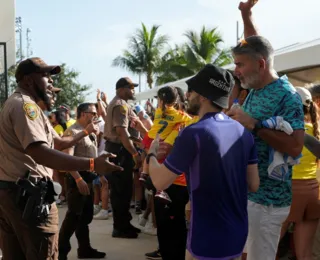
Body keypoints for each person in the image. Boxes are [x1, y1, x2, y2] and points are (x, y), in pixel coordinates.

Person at [0, 57, 122, 260]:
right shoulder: (24, 106)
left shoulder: (25, 105)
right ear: (29, 80)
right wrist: (92, 164)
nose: (51, 82)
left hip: (14, 194)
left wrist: (83, 133)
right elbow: (41, 153)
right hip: (27, 197)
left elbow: (58, 143)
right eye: (46, 76)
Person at [147, 64, 259, 260]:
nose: (187, 95)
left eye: (192, 91)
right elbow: (253, 185)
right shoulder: (244, 133)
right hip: (237, 232)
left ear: (204, 96)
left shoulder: (194, 133)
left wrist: (151, 154)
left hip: (207, 235)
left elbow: (159, 182)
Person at [227, 1, 305, 259]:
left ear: (260, 65)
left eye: (240, 65)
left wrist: (254, 125)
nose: (236, 71)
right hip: (248, 193)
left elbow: (295, 146)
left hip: (267, 201)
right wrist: (246, 14)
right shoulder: (258, 85)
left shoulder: (287, 96)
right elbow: (256, 44)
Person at [59, 103, 106, 260]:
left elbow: (91, 156)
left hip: (88, 177)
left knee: (84, 217)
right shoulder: (72, 131)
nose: (95, 116)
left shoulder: (90, 131)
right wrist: (78, 178)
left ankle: (84, 249)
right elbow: (68, 159)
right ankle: (61, 252)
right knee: (73, 216)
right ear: (83, 114)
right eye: (93, 113)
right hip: (77, 179)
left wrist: (99, 174)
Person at [279, 87, 320, 260]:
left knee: (266, 247)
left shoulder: (283, 129)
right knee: (305, 254)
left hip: (287, 192)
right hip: (313, 193)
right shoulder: (316, 130)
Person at [104, 77, 146, 238]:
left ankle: (124, 223)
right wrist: (135, 154)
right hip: (120, 150)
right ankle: (120, 227)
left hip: (121, 149)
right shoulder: (120, 105)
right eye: (130, 87)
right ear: (121, 89)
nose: (133, 90)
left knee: (125, 189)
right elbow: (121, 132)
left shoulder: (123, 104)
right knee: (121, 190)